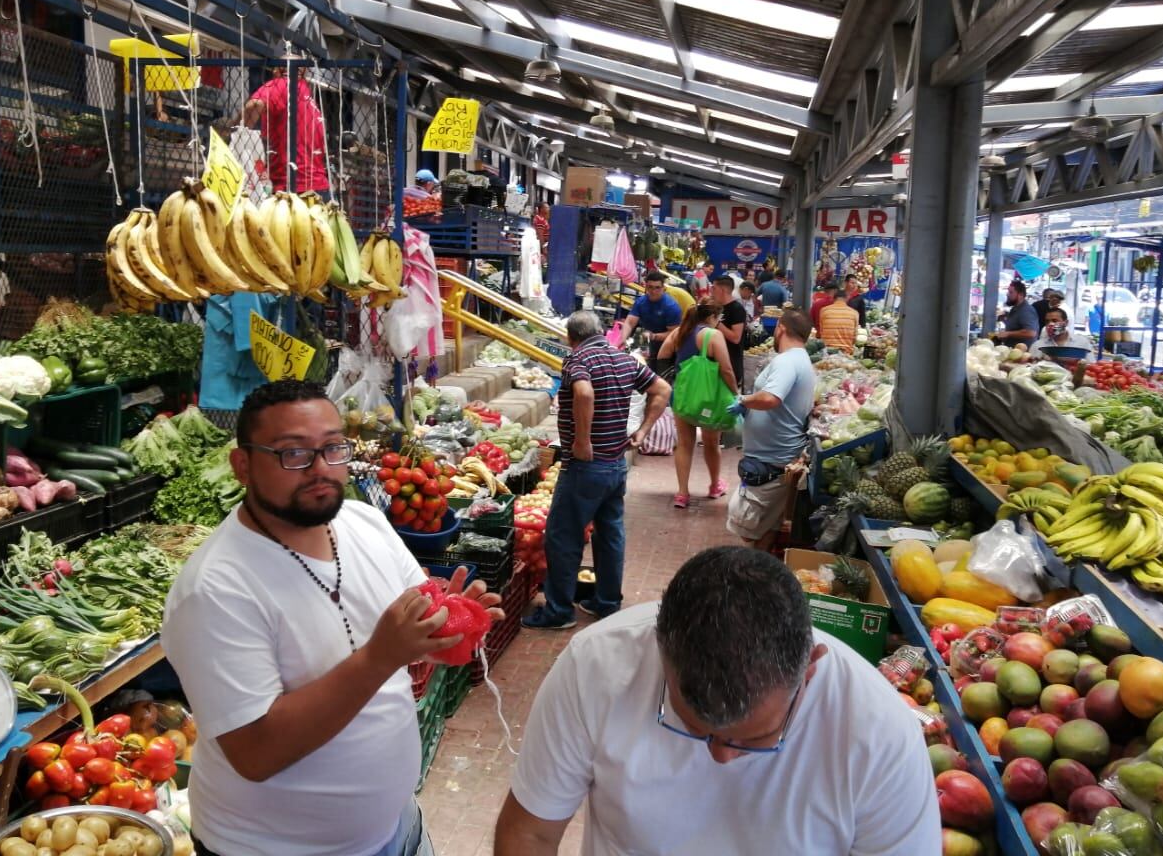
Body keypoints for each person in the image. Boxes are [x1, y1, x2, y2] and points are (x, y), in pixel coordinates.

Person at [160, 380, 502, 856]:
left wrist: (452, 627)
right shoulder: (215, 589)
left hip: (399, 828)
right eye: (293, 453)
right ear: (243, 466)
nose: (320, 467)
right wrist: (380, 657)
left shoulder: (365, 524)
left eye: (333, 448)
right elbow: (256, 753)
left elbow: (422, 640)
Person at [494, 545, 940, 856]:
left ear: (810, 668)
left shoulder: (880, 734)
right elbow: (531, 834)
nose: (722, 757)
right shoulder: (596, 666)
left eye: (758, 737)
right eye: (693, 727)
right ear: (659, 649)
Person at [523, 312, 671, 630]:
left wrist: (582, 441)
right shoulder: (625, 360)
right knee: (610, 534)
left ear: (571, 338)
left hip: (585, 468)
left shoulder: (578, 359)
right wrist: (643, 431)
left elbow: (584, 393)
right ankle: (606, 602)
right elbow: (662, 390)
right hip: (615, 465)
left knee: (563, 536)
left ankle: (559, 611)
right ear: (601, 332)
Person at [725, 310, 816, 550]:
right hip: (775, 457)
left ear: (781, 328)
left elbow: (770, 398)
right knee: (766, 528)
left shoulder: (787, 361)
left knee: (744, 523)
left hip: (771, 459)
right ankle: (757, 564)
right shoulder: (800, 359)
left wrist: (745, 400)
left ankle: (751, 566)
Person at [658, 299, 738, 509]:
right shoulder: (713, 335)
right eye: (719, 318)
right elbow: (726, 369)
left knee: (685, 443)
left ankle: (682, 493)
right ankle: (714, 485)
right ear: (712, 317)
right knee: (711, 442)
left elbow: (662, 355)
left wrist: (672, 379)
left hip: (683, 394)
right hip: (708, 398)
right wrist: (736, 393)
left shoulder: (680, 332)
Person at [243, 66, 328, 194]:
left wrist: (237, 133)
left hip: (291, 186)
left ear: (276, 70)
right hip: (317, 184)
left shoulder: (280, 84)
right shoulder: (304, 91)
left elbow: (254, 104)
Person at [622, 271, 683, 378]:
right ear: (645, 286)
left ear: (663, 288)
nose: (653, 291)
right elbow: (629, 323)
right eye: (650, 287)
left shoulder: (671, 307)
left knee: (662, 378)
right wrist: (622, 341)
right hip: (649, 343)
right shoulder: (641, 302)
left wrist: (654, 336)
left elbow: (674, 334)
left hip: (667, 347)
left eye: (657, 288)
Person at [712, 276, 747, 389]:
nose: (711, 291)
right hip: (714, 362)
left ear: (722, 290)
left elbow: (736, 338)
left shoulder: (737, 309)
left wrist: (717, 323)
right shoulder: (716, 307)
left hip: (730, 363)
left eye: (714, 288)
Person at [994, 279, 1040, 346]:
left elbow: (1031, 333)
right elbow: (1016, 325)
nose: (1007, 294)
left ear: (1021, 295)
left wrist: (1008, 334)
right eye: (1008, 292)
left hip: (1022, 351)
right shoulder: (1015, 308)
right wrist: (1004, 319)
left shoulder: (1026, 310)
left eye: (1011, 292)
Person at [818, 288, 860, 353]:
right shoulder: (854, 313)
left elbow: (821, 332)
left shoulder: (824, 311)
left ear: (833, 299)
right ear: (847, 298)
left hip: (827, 352)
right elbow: (854, 337)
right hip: (846, 352)